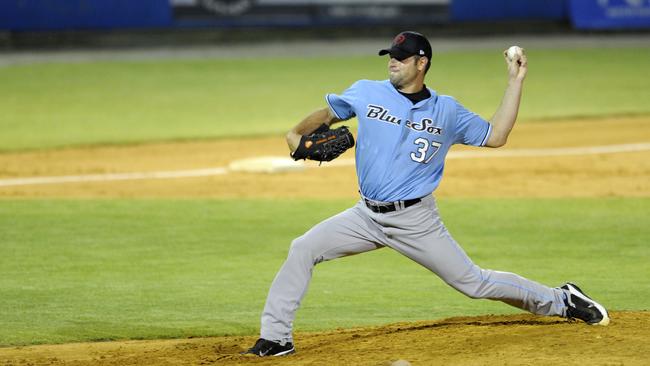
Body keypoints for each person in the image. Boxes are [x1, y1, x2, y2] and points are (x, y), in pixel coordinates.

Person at [243, 31, 609, 357]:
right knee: (302, 248)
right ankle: (276, 338)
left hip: (415, 220)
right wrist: (295, 134)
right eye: (390, 56)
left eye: (401, 58)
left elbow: (496, 136)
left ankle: (562, 299)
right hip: (365, 216)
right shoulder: (367, 92)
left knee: (473, 283)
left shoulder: (447, 111)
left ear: (422, 63)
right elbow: (326, 112)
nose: (393, 63)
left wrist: (515, 82)